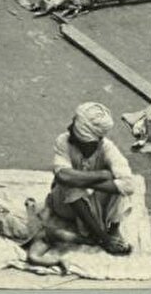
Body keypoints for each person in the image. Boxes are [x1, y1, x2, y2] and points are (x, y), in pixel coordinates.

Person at [47, 104, 135, 256]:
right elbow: (62, 176)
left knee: (120, 188)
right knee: (71, 186)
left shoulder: (107, 148)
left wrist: (84, 181)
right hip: (65, 206)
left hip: (93, 199)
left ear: (88, 140)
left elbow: (129, 185)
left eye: (74, 129)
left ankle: (113, 230)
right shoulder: (63, 141)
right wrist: (102, 175)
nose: (69, 128)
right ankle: (102, 237)